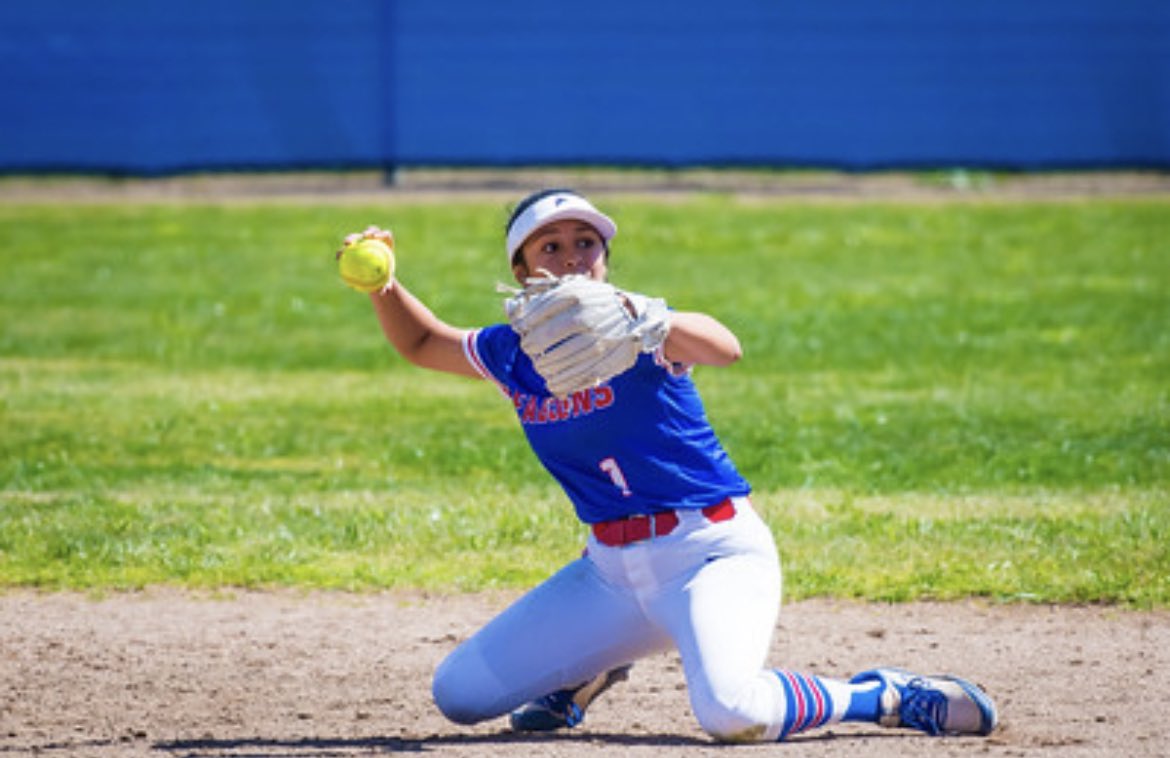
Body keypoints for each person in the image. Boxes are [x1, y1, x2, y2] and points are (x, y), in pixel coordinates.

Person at [339, 188, 998, 743]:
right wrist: (385, 283)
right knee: (458, 694)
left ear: (605, 257)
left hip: (712, 553)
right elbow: (425, 342)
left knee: (731, 713)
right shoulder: (512, 351)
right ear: (521, 269)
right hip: (610, 577)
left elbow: (726, 348)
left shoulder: (642, 326)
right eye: (550, 245)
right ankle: (584, 672)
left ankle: (877, 695)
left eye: (585, 242)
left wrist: (645, 318)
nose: (571, 255)